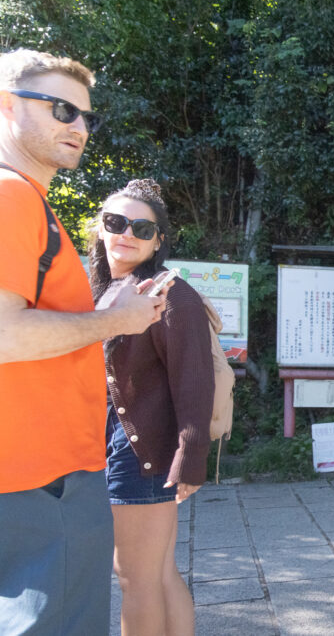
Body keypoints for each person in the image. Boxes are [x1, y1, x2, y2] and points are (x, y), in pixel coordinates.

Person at [0, 49, 168, 634]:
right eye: (60, 109)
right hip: (42, 476)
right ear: (6, 105)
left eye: (86, 116)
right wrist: (114, 321)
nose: (78, 126)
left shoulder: (28, 203)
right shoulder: (13, 197)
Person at [89, 178, 214, 636]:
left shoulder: (170, 293)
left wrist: (191, 456)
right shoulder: (101, 287)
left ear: (158, 240)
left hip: (139, 449)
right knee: (157, 573)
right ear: (100, 227)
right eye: (116, 222)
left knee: (135, 578)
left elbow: (194, 379)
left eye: (142, 229)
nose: (127, 234)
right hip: (119, 442)